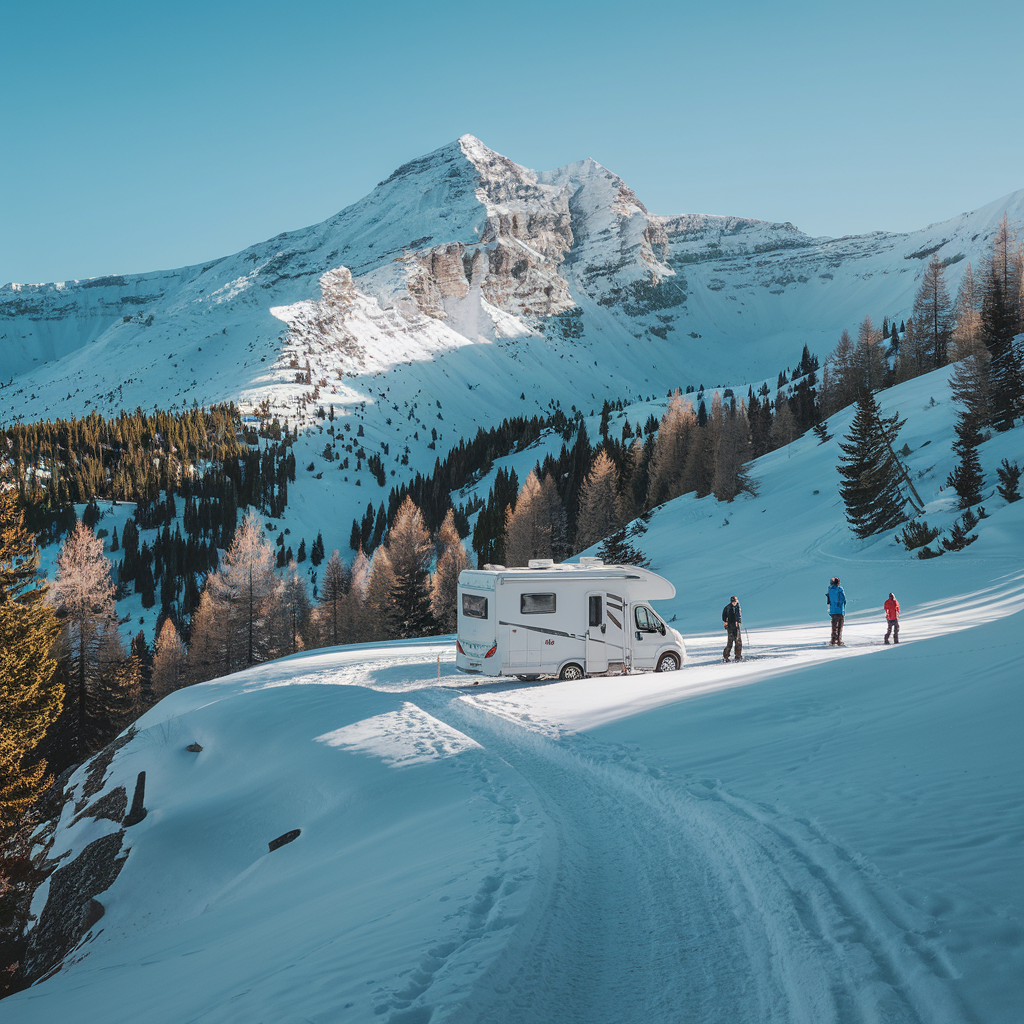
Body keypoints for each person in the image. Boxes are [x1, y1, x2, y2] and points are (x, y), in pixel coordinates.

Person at [826, 577, 846, 646]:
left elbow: (829, 600)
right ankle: (839, 640)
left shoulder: (830, 589)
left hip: (832, 610)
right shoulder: (840, 589)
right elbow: (843, 599)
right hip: (840, 610)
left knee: (834, 626)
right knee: (839, 626)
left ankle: (833, 640)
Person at [722, 595, 742, 662]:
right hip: (730, 626)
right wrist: (726, 622)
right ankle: (726, 656)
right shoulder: (728, 607)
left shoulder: (737, 606)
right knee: (730, 642)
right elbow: (724, 617)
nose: (735, 602)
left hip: (737, 626)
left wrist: (738, 622)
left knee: (738, 641)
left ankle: (738, 655)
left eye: (735, 601)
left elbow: (739, 615)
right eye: (733, 601)